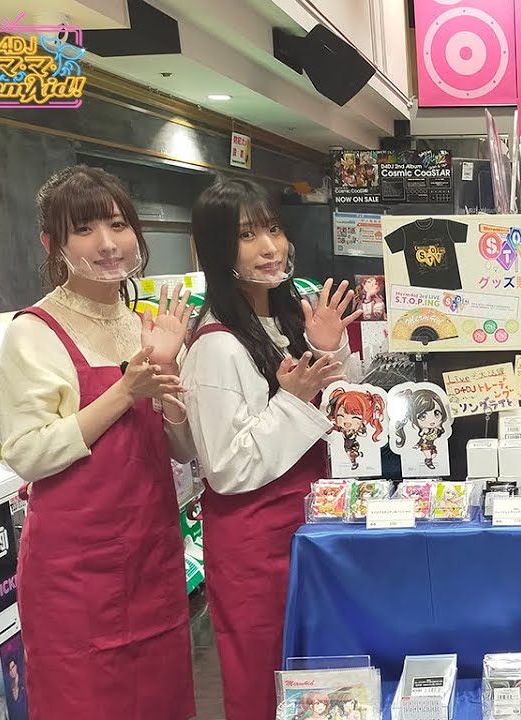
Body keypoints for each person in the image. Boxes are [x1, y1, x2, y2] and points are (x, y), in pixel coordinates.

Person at [0, 166, 195, 719]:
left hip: (151, 556)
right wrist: (124, 392)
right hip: (74, 575)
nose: (107, 244)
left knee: (161, 702)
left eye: (118, 224)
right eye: (84, 230)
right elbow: (27, 453)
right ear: (51, 244)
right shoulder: (33, 331)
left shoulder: (141, 324)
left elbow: (180, 450)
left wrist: (169, 376)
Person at [181, 177, 362, 720]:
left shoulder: (285, 319)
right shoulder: (215, 345)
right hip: (255, 542)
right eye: (247, 236)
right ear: (216, 249)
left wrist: (331, 352)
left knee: (319, 673)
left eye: (274, 229)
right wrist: (295, 399)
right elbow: (226, 467)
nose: (269, 248)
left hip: (309, 524)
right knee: (264, 677)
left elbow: (339, 418)